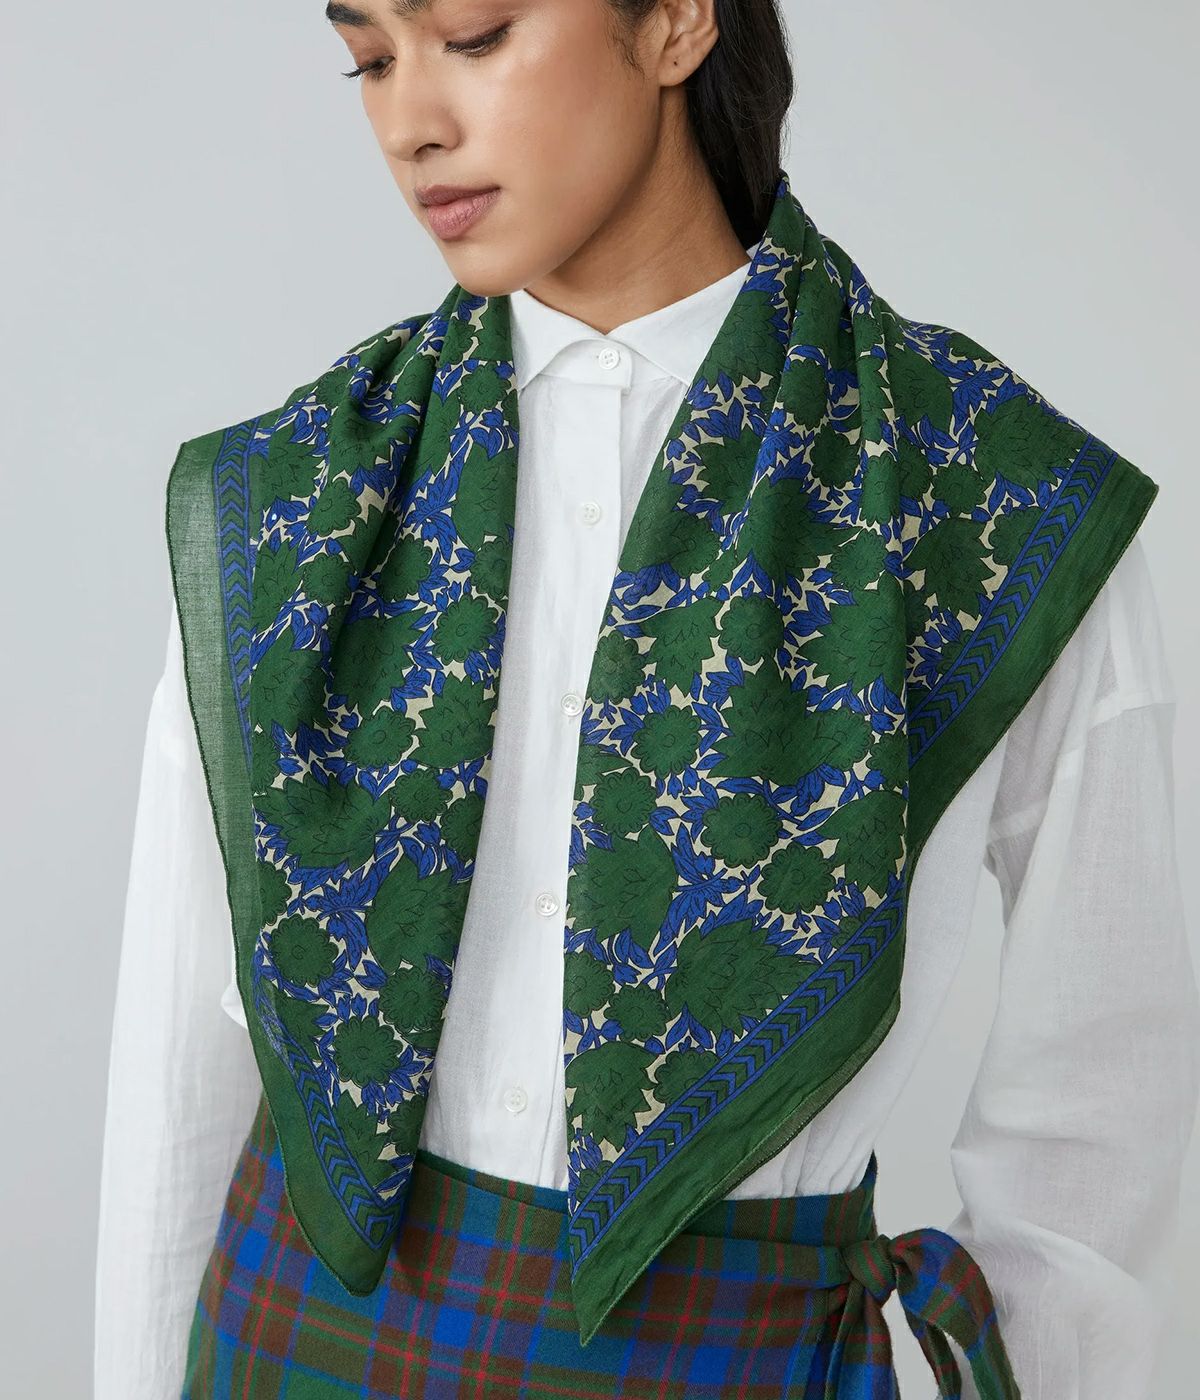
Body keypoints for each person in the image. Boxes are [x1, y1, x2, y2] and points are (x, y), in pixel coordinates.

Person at [95, 1, 1200, 1397]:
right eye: (369, 58)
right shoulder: (295, 503)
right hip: (293, 1348)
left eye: (473, 34)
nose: (408, 122)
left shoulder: (991, 504)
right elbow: (184, 1074)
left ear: (677, 22)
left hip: (720, 1359)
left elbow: (1097, 1110)